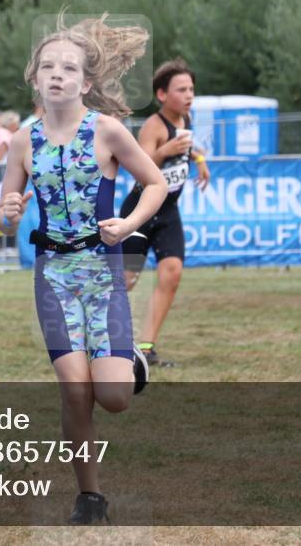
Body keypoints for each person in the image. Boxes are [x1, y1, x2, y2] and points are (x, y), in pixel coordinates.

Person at [0, 14, 167, 525]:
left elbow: (155, 184)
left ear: (86, 82)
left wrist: (129, 224)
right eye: (47, 66)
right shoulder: (22, 140)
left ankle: (129, 359)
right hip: (53, 274)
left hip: (102, 271)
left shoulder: (109, 131)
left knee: (112, 397)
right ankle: (90, 496)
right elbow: (6, 211)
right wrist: (6, 215)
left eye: (68, 68)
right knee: (75, 389)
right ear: (34, 77)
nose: (56, 74)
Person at [120, 58, 210, 368]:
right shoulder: (153, 127)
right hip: (140, 212)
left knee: (172, 273)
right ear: (161, 95)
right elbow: (139, 171)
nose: (188, 96)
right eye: (181, 90)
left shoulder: (187, 118)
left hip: (168, 212)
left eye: (191, 89)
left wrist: (198, 160)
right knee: (125, 280)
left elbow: (186, 147)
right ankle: (100, 343)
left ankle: (145, 348)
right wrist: (163, 152)